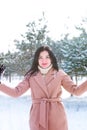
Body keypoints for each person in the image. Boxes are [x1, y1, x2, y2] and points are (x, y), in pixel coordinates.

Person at [0, 45, 87, 130]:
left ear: (52, 58)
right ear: (36, 60)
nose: (44, 60)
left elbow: (76, 91)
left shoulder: (60, 74)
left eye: (47, 57)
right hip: (38, 115)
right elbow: (16, 92)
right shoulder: (31, 76)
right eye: (40, 57)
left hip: (56, 116)